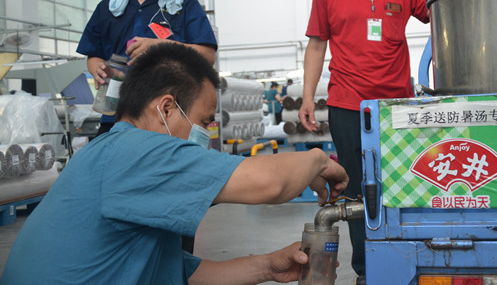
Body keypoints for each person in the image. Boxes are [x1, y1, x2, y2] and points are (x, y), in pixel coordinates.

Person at [1, 42, 348, 285]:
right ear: (166, 108)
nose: (206, 134)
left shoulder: (111, 151)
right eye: (204, 121)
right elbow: (271, 184)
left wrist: (268, 267)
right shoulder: (138, 152)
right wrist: (318, 159)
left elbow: (179, 272)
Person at [298, 0, 479, 283]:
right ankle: (367, 270)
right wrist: (307, 97)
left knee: (406, 180)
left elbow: (436, 13)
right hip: (347, 105)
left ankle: (410, 256)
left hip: (398, 107)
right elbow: (316, 45)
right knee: (354, 188)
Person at [77, 0, 217, 137]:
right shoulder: (107, 9)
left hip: (171, 118)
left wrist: (161, 47)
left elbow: (207, 56)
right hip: (118, 116)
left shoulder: (184, 5)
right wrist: (96, 67)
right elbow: (93, 54)